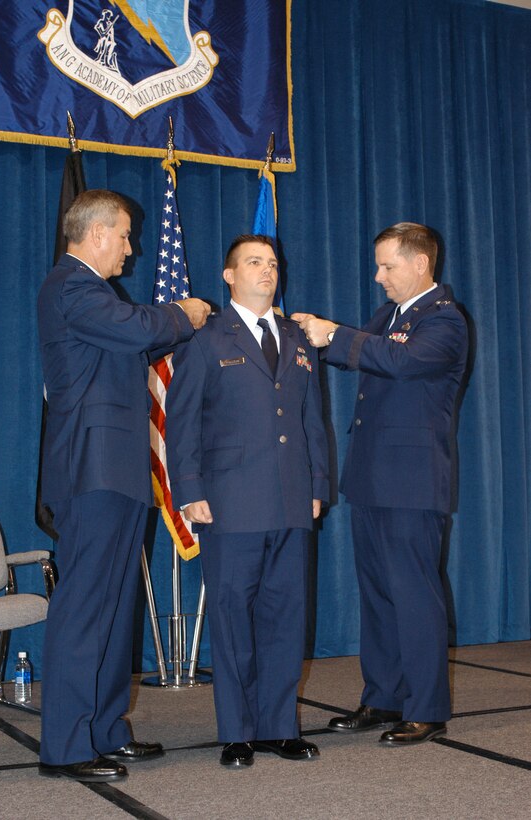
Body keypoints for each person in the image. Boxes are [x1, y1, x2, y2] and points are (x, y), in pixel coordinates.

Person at [37, 189, 210, 782]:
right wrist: (179, 314)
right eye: (127, 235)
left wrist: (187, 329)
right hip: (92, 469)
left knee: (115, 608)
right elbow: (136, 325)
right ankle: (65, 745)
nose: (133, 249)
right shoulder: (70, 285)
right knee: (85, 608)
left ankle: (105, 729)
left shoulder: (95, 294)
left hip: (116, 468)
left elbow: (139, 338)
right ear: (97, 234)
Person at [293, 222, 468, 747]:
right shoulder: (393, 316)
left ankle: (426, 707)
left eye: (388, 266)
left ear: (420, 264)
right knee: (378, 594)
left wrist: (336, 335)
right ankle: (384, 695)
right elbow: (360, 349)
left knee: (415, 595)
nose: (378, 276)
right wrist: (299, 336)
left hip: (412, 481)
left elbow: (399, 361)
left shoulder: (445, 320)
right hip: (372, 476)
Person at [165, 234, 329, 767]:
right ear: (229, 275)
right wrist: (189, 490)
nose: (267, 271)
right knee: (234, 617)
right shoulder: (207, 339)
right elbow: (182, 423)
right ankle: (237, 730)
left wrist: (317, 485)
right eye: (254, 263)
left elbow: (310, 421)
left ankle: (280, 726)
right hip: (230, 499)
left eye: (273, 263)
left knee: (286, 616)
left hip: (289, 497)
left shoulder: (297, 337)